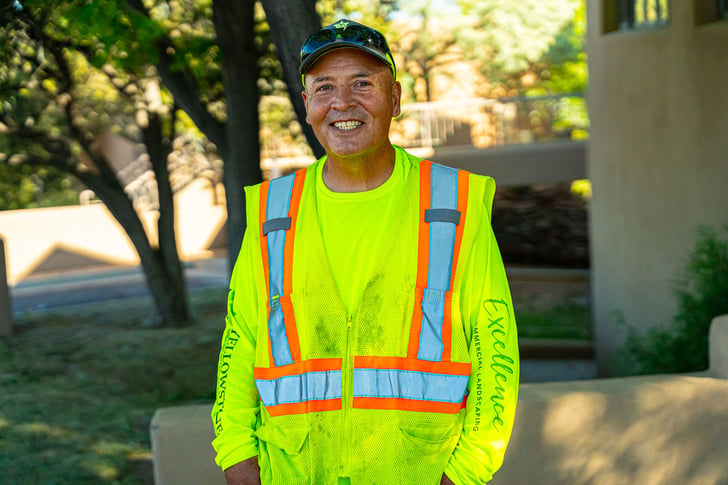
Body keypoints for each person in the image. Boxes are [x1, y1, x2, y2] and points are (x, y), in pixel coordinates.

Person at [211, 19, 519, 485]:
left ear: (394, 98)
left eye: (362, 83)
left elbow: (495, 350)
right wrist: (235, 457)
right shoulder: (274, 211)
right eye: (324, 87)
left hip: (421, 473)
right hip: (292, 473)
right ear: (308, 104)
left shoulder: (453, 205)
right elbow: (240, 342)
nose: (342, 103)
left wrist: (467, 471)